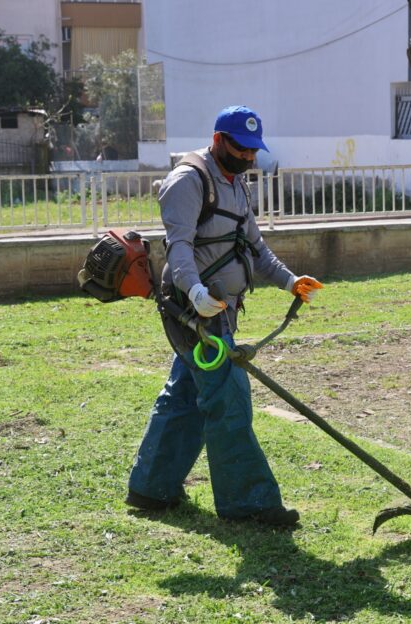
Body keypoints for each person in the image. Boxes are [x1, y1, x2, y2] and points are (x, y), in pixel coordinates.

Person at [126, 105, 323, 526]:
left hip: (219, 309)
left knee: (185, 397)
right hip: (192, 310)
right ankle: (248, 503)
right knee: (229, 399)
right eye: (241, 149)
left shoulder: (237, 184)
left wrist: (290, 281)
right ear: (218, 140)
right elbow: (179, 246)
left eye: (254, 150)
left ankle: (151, 487)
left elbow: (255, 247)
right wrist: (195, 292)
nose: (249, 157)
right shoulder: (188, 180)